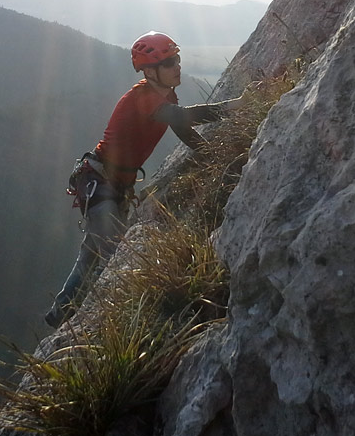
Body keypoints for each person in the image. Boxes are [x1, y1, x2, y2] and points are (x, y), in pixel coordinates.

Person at [44, 31, 245, 328]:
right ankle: (103, 325)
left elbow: (182, 129)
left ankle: (59, 314)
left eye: (176, 59)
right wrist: (232, 107)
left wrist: (213, 154)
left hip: (107, 186)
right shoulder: (142, 98)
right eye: (168, 63)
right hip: (101, 184)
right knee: (116, 259)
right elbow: (182, 118)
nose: (177, 66)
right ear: (150, 71)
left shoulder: (164, 97)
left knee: (91, 256)